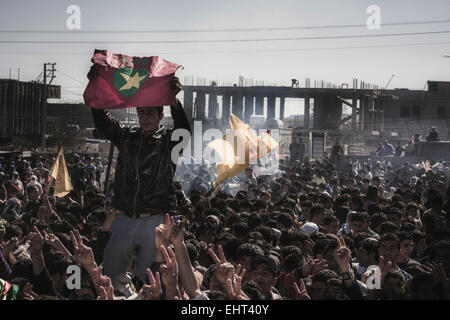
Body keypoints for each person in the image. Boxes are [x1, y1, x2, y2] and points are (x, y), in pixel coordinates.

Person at [88, 66, 191, 297]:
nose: (145, 118)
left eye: (151, 114)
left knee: (155, 276)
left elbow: (184, 129)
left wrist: (173, 100)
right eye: (142, 113)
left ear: (160, 116)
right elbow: (103, 121)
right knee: (111, 274)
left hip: (154, 219)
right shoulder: (126, 136)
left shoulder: (168, 141)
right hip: (123, 217)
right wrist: (98, 86)